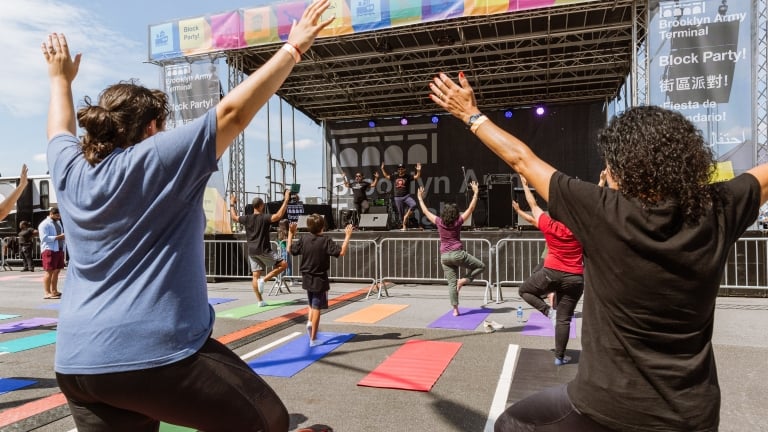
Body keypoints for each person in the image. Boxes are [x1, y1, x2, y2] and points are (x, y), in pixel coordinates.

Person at [42, 2, 332, 430]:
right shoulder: (157, 156)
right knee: (268, 421)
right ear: (152, 127)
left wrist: (59, 79)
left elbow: (58, 128)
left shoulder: (70, 169)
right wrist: (293, 48)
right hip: (154, 356)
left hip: (78, 364)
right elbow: (233, 113)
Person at [430, 71, 768, 431]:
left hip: (608, 408)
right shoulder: (719, 209)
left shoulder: (602, 210)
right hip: (693, 413)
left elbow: (522, 160)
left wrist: (471, 114)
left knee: (511, 424)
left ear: (624, 168)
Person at [512, 175, 583, 365]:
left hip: (551, 272)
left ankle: (548, 312)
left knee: (524, 290)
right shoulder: (581, 227)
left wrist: (526, 186)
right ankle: (559, 357)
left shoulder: (549, 224)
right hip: (575, 278)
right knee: (564, 319)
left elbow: (533, 205)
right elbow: (594, 208)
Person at [416, 181, 486, 317]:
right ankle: (464, 280)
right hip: (457, 254)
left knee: (451, 284)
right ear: (455, 214)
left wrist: (419, 197)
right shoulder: (458, 221)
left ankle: (455, 310)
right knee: (481, 266)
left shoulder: (439, 222)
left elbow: (425, 211)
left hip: (444, 257)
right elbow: (471, 209)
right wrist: (476, 192)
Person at [287, 216, 353, 347]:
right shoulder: (325, 240)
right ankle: (313, 338)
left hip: (306, 276)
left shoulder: (304, 238)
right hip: (320, 278)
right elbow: (342, 252)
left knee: (311, 303)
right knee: (317, 307)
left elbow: (290, 250)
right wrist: (347, 236)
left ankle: (310, 322)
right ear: (323, 227)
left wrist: (290, 233)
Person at [230, 191, 291, 306]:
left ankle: (260, 301)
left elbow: (234, 217)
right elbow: (278, 215)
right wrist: (286, 200)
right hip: (264, 250)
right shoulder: (264, 217)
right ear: (261, 206)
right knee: (283, 265)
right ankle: (264, 280)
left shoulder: (246, 218)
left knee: (255, 276)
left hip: (252, 251)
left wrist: (232, 204)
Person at [380, 162, 421, 230]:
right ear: (397, 170)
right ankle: (404, 225)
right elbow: (386, 176)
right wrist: (382, 169)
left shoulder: (407, 176)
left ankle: (406, 216)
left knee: (413, 204)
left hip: (406, 196)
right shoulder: (395, 176)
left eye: (402, 169)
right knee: (400, 213)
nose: (400, 170)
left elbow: (417, 176)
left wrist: (418, 170)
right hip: (397, 197)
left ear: (404, 169)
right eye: (399, 169)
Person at [38, 207, 65, 299]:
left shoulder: (58, 222)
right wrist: (59, 237)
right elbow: (44, 238)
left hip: (59, 249)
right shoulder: (44, 224)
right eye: (57, 215)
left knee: (57, 271)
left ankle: (54, 291)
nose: (59, 217)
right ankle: (47, 292)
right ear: (51, 214)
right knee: (49, 271)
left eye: (59, 215)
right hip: (49, 249)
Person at [277, 218, 293, 285]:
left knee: (283, 265)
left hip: (281, 250)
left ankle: (280, 279)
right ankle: (290, 279)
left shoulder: (279, 231)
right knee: (288, 265)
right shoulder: (287, 232)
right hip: (285, 250)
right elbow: (289, 241)